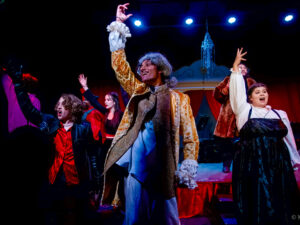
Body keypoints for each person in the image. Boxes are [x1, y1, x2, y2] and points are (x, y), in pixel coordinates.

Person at [101, 3, 199, 225]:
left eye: (147, 65)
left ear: (161, 69)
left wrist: (189, 164)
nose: (141, 69)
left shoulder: (179, 99)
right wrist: (118, 25)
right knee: (134, 219)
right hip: (137, 168)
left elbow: (191, 136)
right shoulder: (138, 91)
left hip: (164, 168)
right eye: (140, 66)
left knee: (168, 219)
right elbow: (120, 68)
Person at [8, 66, 101, 225]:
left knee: (76, 216)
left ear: (72, 109)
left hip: (77, 184)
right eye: (58, 104)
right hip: (55, 182)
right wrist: (18, 84)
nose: (58, 107)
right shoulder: (50, 123)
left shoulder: (83, 129)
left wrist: (96, 183)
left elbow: (92, 156)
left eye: (62, 105)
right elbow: (29, 110)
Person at [230, 48, 300, 225]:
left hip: (278, 161)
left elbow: (289, 140)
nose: (262, 94)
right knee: (259, 197)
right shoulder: (244, 111)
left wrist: (294, 160)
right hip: (253, 161)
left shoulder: (279, 114)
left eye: (265, 91)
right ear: (250, 98)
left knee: (280, 196)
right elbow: (237, 94)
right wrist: (236, 68)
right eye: (257, 92)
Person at [78, 74, 124, 209]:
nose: (106, 101)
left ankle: (119, 201)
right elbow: (94, 101)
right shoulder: (104, 112)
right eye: (105, 99)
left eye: (108, 99)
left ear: (114, 101)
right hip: (105, 147)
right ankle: (106, 201)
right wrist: (85, 87)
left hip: (117, 146)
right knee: (105, 173)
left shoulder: (120, 115)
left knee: (117, 173)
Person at [213, 63, 256, 173]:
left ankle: (246, 166)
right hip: (228, 116)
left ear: (247, 71)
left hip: (244, 113)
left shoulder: (250, 81)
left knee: (246, 141)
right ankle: (226, 164)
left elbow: (255, 97)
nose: (241, 69)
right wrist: (227, 86)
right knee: (227, 144)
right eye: (239, 67)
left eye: (244, 68)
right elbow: (217, 95)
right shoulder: (228, 79)